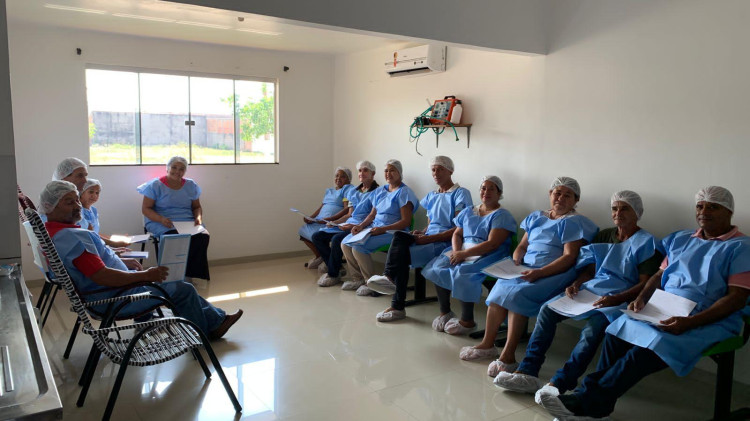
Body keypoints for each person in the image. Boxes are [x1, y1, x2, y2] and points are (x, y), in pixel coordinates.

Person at [537, 186, 750, 421]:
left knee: (648, 346)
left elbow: (736, 298)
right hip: (665, 307)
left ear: (729, 212)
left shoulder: (741, 247)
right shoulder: (682, 239)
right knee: (616, 330)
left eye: (713, 207)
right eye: (700, 206)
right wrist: (641, 299)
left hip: (708, 317)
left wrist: (690, 322)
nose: (704, 211)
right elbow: (658, 276)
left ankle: (586, 402)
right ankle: (594, 405)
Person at [494, 190, 663, 398]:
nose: (618, 213)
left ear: (637, 212)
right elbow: (590, 271)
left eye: (624, 209)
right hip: (591, 291)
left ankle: (561, 382)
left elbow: (645, 284)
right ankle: (528, 371)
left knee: (593, 329)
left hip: (619, 299)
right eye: (614, 208)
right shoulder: (604, 235)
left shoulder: (647, 243)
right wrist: (576, 284)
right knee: (547, 310)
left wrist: (617, 298)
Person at [39, 180, 242, 339]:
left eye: (76, 200)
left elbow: (95, 265)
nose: (77, 206)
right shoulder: (72, 238)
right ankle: (204, 334)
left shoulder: (57, 231)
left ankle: (216, 321)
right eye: (69, 202)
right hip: (114, 298)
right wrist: (145, 275)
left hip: (112, 290)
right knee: (182, 288)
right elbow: (103, 276)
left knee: (173, 283)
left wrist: (121, 261)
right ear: (50, 207)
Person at [461, 177, 598, 368]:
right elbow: (523, 246)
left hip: (555, 272)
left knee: (517, 295)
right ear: (550, 194)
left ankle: (508, 356)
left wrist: (540, 272)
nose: (561, 198)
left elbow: (569, 257)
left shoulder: (574, 222)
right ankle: (487, 344)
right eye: (557, 193)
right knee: (499, 288)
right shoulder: (536, 217)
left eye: (568, 195)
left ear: (576, 200)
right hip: (525, 269)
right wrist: (517, 259)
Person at [366, 156, 474, 321]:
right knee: (400, 236)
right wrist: (422, 232)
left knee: (401, 256)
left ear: (450, 171)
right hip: (429, 238)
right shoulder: (432, 195)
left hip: (445, 243)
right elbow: (431, 225)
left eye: (440, 169)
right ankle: (389, 279)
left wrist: (429, 239)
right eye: (433, 170)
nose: (436, 173)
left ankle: (397, 304)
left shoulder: (460, 194)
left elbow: (459, 228)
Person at [419, 176, 516, 333]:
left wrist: (464, 254)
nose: (486, 192)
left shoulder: (501, 215)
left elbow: (492, 243)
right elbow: (457, 234)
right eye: (483, 188)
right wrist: (457, 251)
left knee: (462, 273)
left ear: (499, 193)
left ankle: (467, 321)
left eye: (491, 189)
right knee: (438, 267)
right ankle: (445, 312)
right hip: (463, 249)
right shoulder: (469, 211)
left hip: (489, 253)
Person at [341, 159, 419, 296]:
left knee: (358, 248)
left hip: (393, 232)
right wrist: (360, 226)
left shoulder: (404, 192)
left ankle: (371, 283)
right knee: (345, 243)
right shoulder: (380, 191)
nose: (388, 173)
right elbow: (372, 215)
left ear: (399, 173)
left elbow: (406, 222)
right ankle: (357, 279)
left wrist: (382, 230)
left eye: (392, 170)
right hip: (374, 228)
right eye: (386, 170)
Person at [137, 156, 211, 281]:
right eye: (174, 167)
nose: (177, 171)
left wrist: (198, 218)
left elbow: (196, 207)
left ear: (185, 171)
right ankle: (170, 275)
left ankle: (189, 274)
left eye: (182, 169)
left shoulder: (191, 185)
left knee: (202, 236)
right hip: (161, 221)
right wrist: (161, 219)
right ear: (167, 168)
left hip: (186, 221)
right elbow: (146, 209)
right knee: (174, 237)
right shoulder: (155, 185)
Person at [313, 161, 379, 286]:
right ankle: (336, 267)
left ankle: (333, 274)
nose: (362, 173)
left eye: (365, 170)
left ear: (373, 173)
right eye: (360, 170)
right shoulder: (354, 191)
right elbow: (349, 214)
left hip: (362, 226)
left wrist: (355, 226)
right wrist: (334, 222)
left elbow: (373, 216)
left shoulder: (377, 192)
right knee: (317, 236)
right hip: (348, 224)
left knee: (337, 239)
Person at [298, 167, 354, 269]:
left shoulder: (347, 189)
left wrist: (330, 219)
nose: (338, 178)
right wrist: (310, 217)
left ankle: (329, 261)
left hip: (331, 222)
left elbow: (346, 209)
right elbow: (322, 207)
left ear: (349, 179)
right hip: (320, 220)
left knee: (317, 235)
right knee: (303, 230)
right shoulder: (329, 191)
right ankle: (320, 257)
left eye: (342, 176)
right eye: (337, 176)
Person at [79, 179, 129, 249]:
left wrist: (114, 238)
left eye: (97, 193)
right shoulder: (78, 211)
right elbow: (88, 235)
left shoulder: (93, 210)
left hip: (94, 246)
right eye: (91, 192)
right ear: (81, 192)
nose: (94, 195)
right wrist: (112, 243)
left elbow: (95, 233)